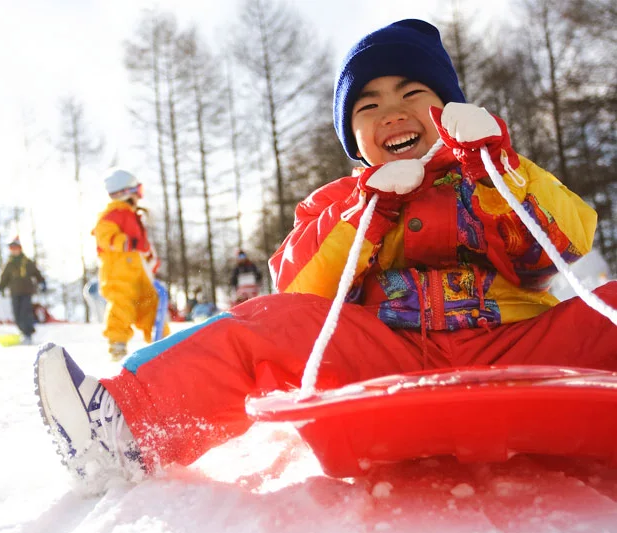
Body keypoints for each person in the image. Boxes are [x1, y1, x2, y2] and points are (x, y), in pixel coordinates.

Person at [33, 19, 617, 495]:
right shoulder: (338, 202)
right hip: (386, 355)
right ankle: (128, 427)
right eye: (368, 105)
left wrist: (500, 170)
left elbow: (565, 246)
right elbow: (300, 290)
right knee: (266, 322)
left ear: (451, 110)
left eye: (413, 93)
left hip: (514, 344)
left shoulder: (495, 170)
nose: (392, 111)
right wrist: (367, 215)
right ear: (353, 138)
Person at [92, 168, 168, 361]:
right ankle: (117, 346)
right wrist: (124, 242)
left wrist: (151, 259)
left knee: (151, 306)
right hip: (118, 275)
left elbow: (143, 247)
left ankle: (164, 345)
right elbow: (103, 235)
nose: (139, 197)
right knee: (121, 308)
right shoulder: (112, 214)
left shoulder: (134, 217)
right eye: (138, 192)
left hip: (139, 276)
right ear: (125, 192)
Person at [0, 238, 45, 345]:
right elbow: (4, 279)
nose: (13, 250)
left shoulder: (27, 262)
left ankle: (28, 334)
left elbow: (36, 273)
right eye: (11, 248)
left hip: (26, 291)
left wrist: (42, 282)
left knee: (25, 312)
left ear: (20, 249)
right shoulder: (9, 264)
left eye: (15, 248)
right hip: (14, 293)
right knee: (17, 315)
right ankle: (23, 332)